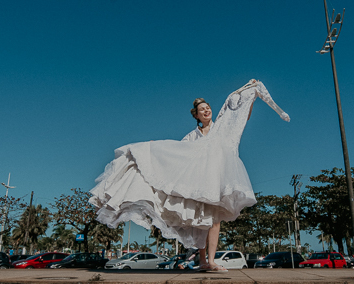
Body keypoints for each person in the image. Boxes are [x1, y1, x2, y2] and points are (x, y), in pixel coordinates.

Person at [90, 79, 289, 272]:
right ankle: (203, 261)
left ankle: (211, 260)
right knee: (201, 221)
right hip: (198, 182)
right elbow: (179, 152)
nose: (206, 110)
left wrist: (252, 96)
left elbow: (242, 117)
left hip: (216, 178)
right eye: (202, 109)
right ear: (197, 115)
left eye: (208, 107)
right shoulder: (192, 136)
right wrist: (156, 149)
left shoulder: (220, 128)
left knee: (215, 220)